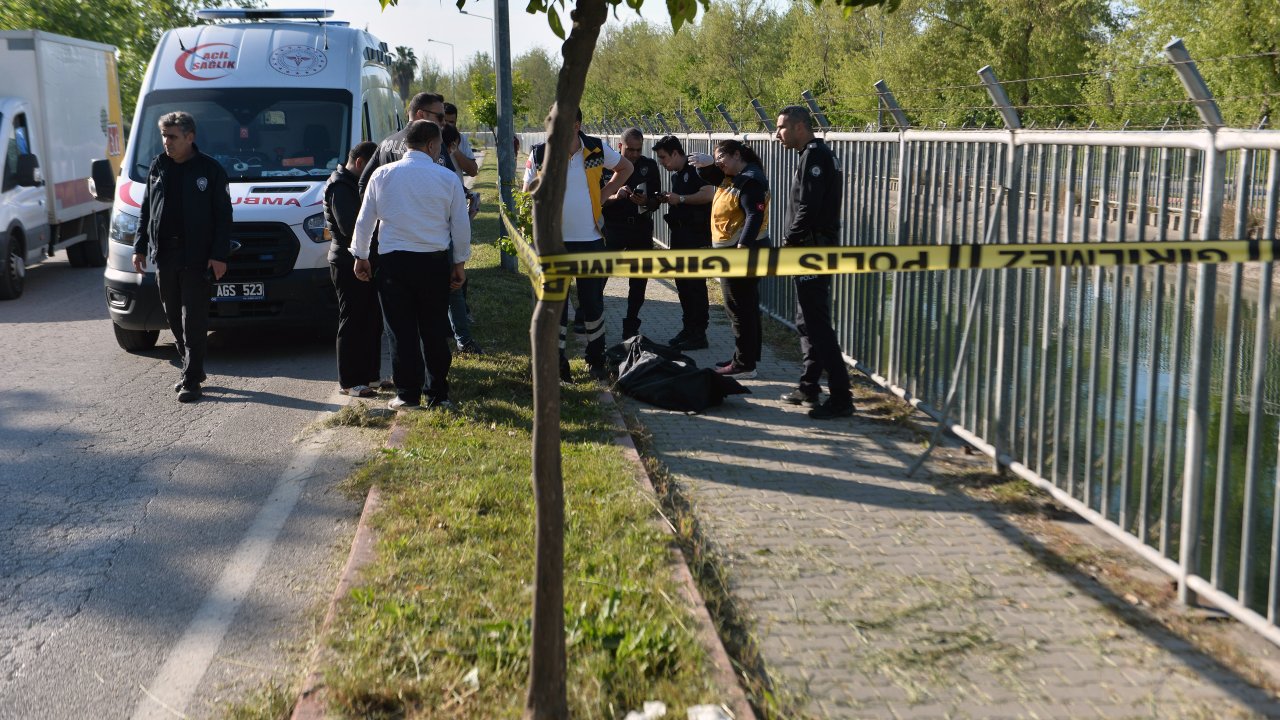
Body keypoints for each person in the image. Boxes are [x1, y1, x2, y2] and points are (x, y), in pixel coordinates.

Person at [352, 120, 470, 411]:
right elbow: (460, 225)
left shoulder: (381, 175)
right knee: (433, 329)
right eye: (439, 145)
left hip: (394, 264)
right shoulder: (447, 178)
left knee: (400, 331)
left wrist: (361, 255)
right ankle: (438, 394)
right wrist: (459, 263)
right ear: (431, 145)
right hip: (433, 262)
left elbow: (365, 220)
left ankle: (407, 394)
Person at [523, 107, 633, 382]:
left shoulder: (595, 148)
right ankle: (558, 365)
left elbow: (626, 167)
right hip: (553, 245)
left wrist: (604, 194)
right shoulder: (539, 153)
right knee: (555, 307)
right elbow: (527, 192)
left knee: (593, 305)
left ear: (576, 124)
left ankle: (596, 362)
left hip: (591, 240)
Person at [132, 111, 232, 404]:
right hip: (166, 255)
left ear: (190, 137)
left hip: (197, 256)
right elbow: (146, 210)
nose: (167, 142)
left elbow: (224, 217)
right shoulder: (158, 166)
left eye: (172, 136)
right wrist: (139, 246)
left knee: (193, 318)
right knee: (173, 315)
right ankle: (192, 367)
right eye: (164, 136)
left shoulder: (210, 170)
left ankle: (191, 378)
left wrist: (219, 255)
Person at [775, 106, 854, 419]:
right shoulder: (813, 154)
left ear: (799, 127)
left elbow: (809, 205)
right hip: (809, 248)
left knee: (818, 325)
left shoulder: (815, 156)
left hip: (811, 251)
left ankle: (842, 397)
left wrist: (791, 240)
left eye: (781, 127)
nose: (777, 134)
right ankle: (809, 386)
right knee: (806, 321)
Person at [692, 139, 770, 380]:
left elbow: (753, 215)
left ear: (736, 155)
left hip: (742, 252)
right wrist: (704, 165)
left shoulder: (750, 179)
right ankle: (745, 358)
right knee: (745, 306)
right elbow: (713, 177)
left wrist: (742, 247)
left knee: (738, 307)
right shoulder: (735, 175)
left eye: (721, 159)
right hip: (737, 250)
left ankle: (745, 364)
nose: (719, 164)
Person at [325, 140, 381, 398]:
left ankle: (370, 376)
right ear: (360, 163)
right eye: (371, 168)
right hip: (347, 261)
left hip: (363, 257)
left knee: (371, 318)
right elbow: (349, 227)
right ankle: (349, 381)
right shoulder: (340, 185)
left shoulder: (351, 183)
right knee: (352, 320)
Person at [654, 135, 715, 350]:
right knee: (683, 285)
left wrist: (680, 199)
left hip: (696, 237)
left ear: (675, 153)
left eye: (664, 157)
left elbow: (708, 194)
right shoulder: (676, 175)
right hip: (680, 235)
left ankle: (699, 333)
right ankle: (688, 328)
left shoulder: (696, 168)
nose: (662, 162)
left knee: (695, 286)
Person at [602, 128, 662, 339]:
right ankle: (589, 316)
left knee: (638, 280)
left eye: (638, 150)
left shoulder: (649, 166)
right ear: (620, 146)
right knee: (599, 274)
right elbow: (597, 200)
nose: (634, 154)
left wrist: (646, 201)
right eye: (630, 150)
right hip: (614, 227)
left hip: (640, 228)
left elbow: (657, 199)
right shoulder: (607, 165)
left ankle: (631, 324)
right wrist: (615, 197)